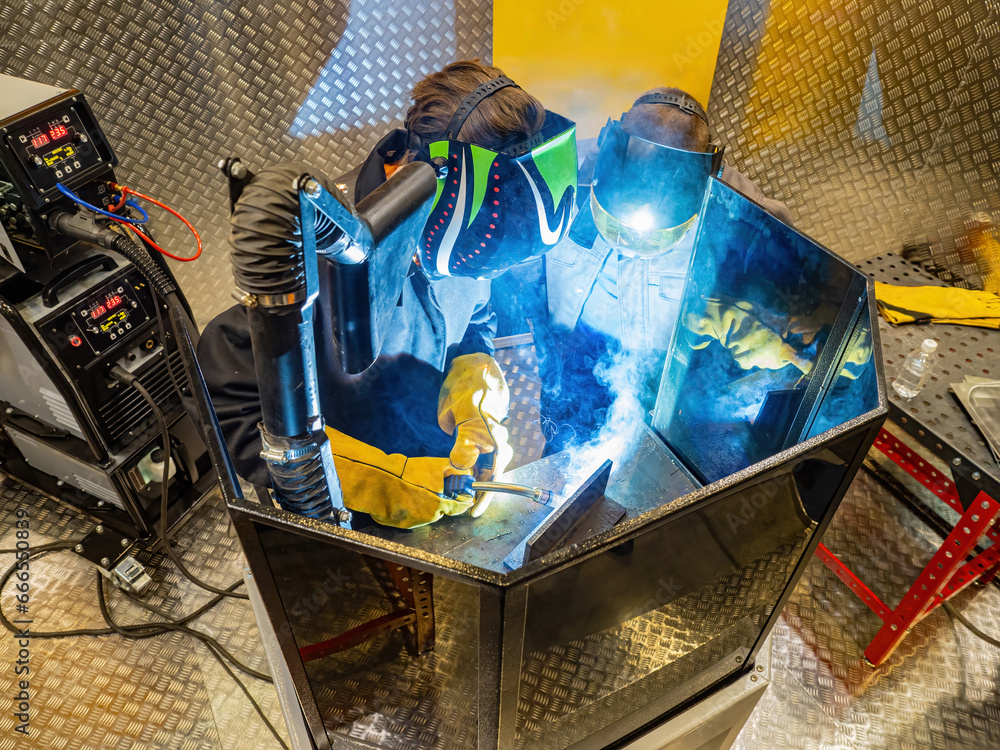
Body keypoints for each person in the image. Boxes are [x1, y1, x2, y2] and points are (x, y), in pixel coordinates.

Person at [199, 60, 578, 528]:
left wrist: (474, 404)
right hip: (343, 509)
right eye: (488, 257)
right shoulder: (330, 245)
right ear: (432, 179)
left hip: (441, 479)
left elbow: (475, 320)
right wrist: (377, 480)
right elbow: (232, 404)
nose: (491, 270)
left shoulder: (474, 231)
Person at [538, 87, 794, 451]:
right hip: (570, 363)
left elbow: (788, 293)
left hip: (662, 388)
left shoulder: (738, 213)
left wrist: (757, 318)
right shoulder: (567, 169)